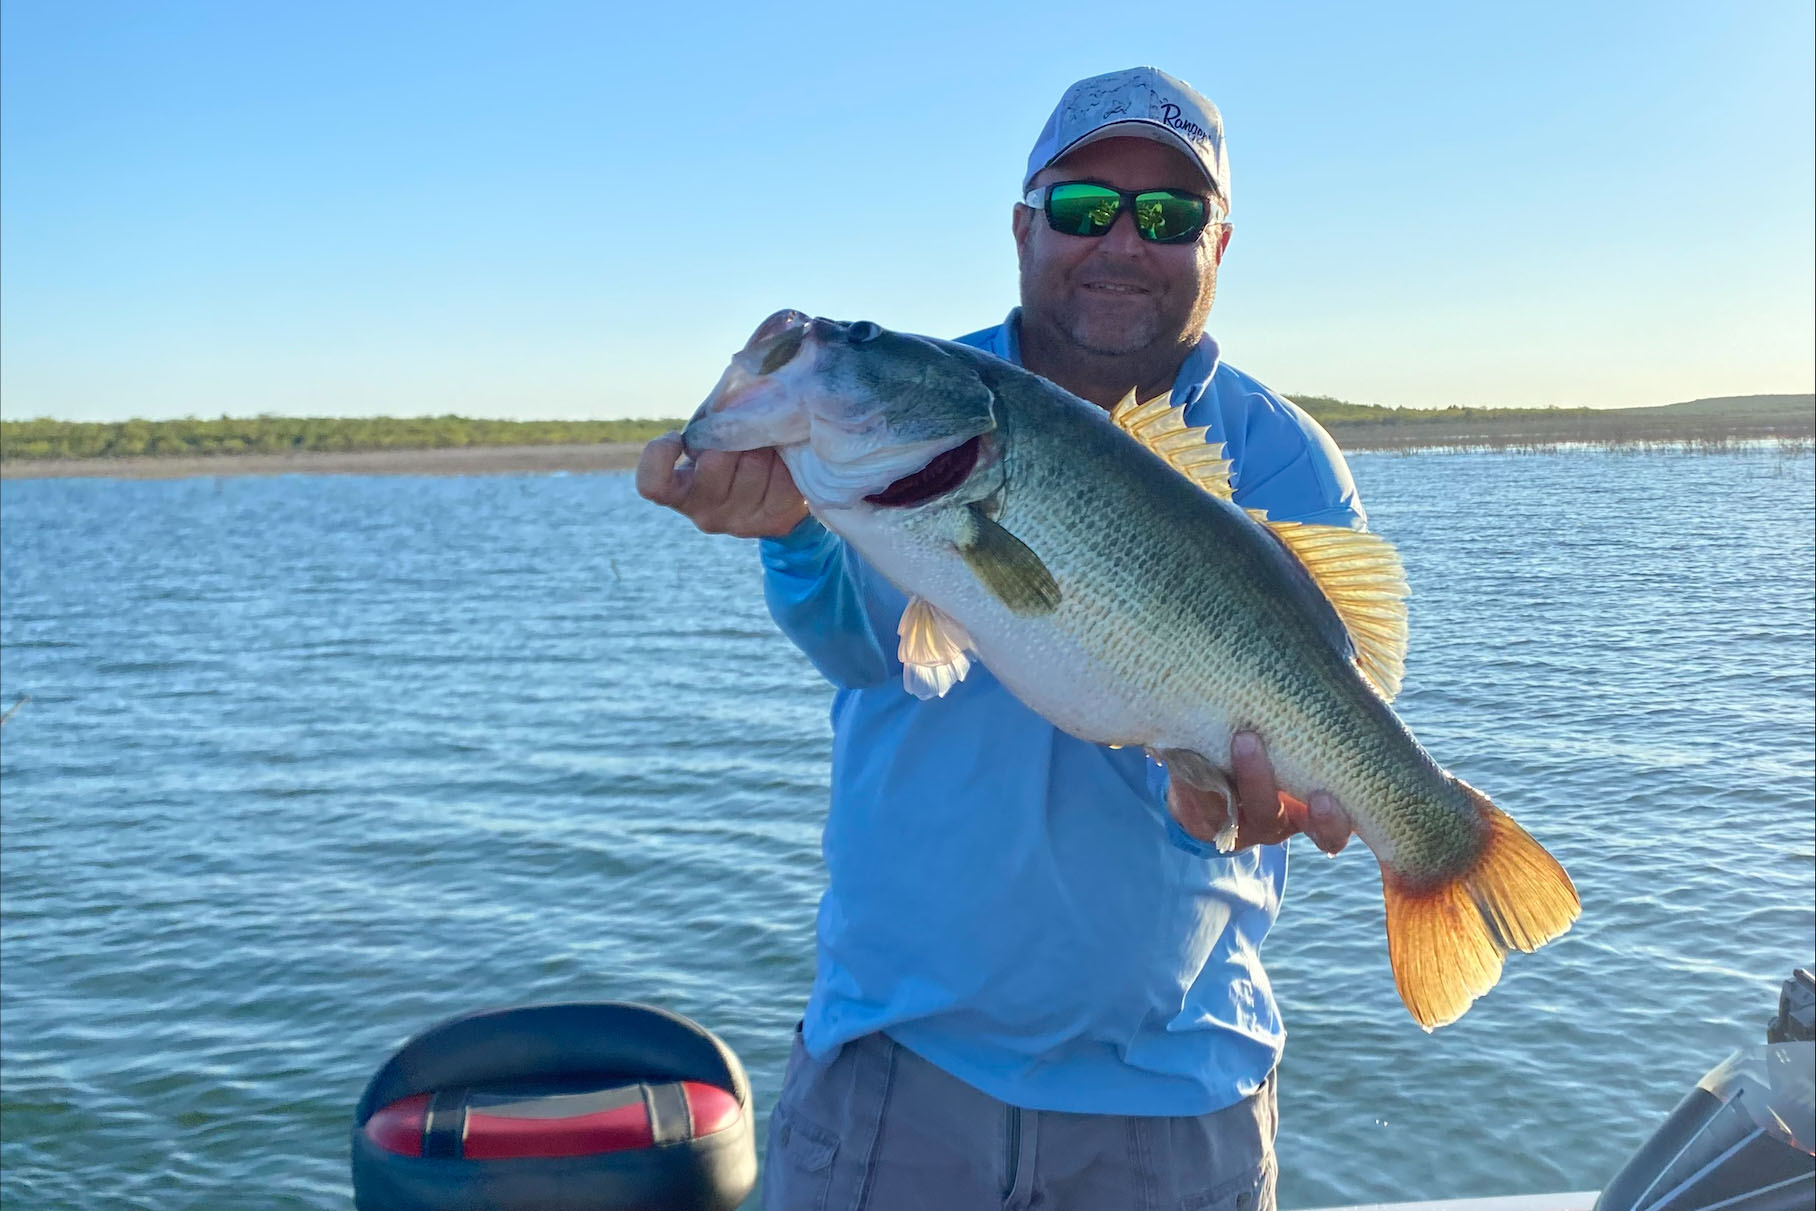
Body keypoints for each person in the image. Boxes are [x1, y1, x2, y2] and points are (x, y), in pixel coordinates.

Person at [640, 66, 1362, 1211]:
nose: (1122, 242)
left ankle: (1446, 844)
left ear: (1218, 244)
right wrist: (787, 529)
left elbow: (1317, 713)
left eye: (1168, 217)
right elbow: (864, 649)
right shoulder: (922, 403)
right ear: (1022, 223)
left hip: (1178, 1094)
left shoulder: (1281, 459)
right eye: (1083, 207)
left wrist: (1246, 802)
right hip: (897, 1071)